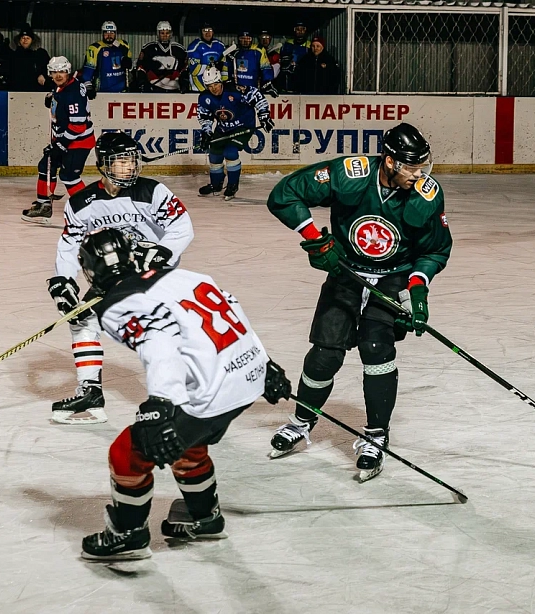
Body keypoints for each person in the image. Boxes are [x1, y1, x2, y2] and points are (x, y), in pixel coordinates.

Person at [77, 227, 291, 561]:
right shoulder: (187, 275)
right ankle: (203, 517)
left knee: (127, 453)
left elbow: (158, 338)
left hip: (211, 394)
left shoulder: (116, 305)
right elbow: (231, 306)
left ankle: (128, 535)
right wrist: (266, 364)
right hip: (246, 377)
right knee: (187, 441)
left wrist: (161, 404)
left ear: (91, 270)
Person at [265, 123, 453, 482]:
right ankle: (302, 421)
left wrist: (417, 290)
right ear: (389, 161)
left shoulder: (426, 194)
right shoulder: (350, 174)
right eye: (411, 167)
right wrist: (316, 240)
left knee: (376, 347)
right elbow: (284, 194)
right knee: (325, 354)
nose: (419, 174)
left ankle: (376, 436)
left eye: (422, 166)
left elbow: (436, 249)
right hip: (346, 271)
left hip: (394, 276)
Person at [45, 132, 194, 425]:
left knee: (157, 330)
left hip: (155, 273)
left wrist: (161, 251)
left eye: (132, 160)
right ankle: (91, 391)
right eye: (120, 161)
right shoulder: (81, 203)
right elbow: (69, 243)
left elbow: (182, 228)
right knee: (81, 318)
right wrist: (63, 280)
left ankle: (172, 398)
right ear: (103, 164)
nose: (129, 167)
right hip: (113, 273)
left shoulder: (153, 191)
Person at [22, 57, 96, 223]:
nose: (58, 75)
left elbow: (78, 126)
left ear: (68, 71)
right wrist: (51, 98)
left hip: (79, 142)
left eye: (61, 71)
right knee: (46, 166)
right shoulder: (63, 86)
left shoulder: (73, 93)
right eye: (54, 72)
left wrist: (61, 145)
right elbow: (60, 100)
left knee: (69, 176)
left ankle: (89, 212)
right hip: (65, 139)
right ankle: (43, 205)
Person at [196, 66, 272, 201]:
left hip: (243, 126)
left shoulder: (235, 90)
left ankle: (232, 185)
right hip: (223, 127)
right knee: (214, 153)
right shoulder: (204, 98)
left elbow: (256, 95)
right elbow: (204, 116)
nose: (213, 88)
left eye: (215, 84)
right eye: (209, 86)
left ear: (220, 81)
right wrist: (207, 132)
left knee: (230, 152)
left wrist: (264, 116)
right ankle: (216, 185)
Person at [132, 20, 187, 93]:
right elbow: (140, 67)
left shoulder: (179, 49)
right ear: (158, 34)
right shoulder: (149, 48)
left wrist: (184, 83)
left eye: (167, 33)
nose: (165, 35)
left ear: (170, 34)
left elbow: (184, 68)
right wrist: (142, 82)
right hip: (154, 89)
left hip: (174, 89)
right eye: (162, 33)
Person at [83, 21, 131, 94]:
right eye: (106, 33)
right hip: (102, 91)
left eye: (112, 33)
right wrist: (88, 87)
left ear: (116, 33)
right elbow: (87, 72)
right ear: (102, 33)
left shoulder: (123, 45)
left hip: (122, 91)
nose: (109, 36)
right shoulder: (94, 48)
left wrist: (129, 63)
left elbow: (131, 67)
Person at [9, 25, 51, 92]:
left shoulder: (41, 54)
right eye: (23, 38)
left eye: (28, 38)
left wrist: (43, 75)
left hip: (37, 91)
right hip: (17, 91)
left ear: (32, 40)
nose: (25, 40)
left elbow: (50, 69)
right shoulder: (13, 55)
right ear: (19, 40)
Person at [186, 23, 226, 92]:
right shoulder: (194, 47)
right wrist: (211, 67)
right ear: (200, 32)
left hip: (215, 89)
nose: (208, 33)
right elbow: (194, 70)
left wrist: (224, 85)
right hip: (198, 88)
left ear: (213, 31)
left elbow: (225, 69)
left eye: (210, 30)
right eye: (205, 30)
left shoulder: (220, 45)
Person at [277, 22, 311, 93]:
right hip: (289, 77)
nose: (300, 31)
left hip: (303, 77)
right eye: (298, 29)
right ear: (294, 30)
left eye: (302, 29)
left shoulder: (309, 45)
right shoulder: (288, 44)